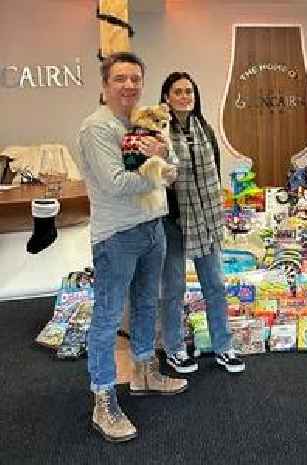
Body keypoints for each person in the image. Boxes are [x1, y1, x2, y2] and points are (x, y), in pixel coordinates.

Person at [76, 52, 187, 443]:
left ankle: (144, 371)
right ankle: (103, 397)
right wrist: (159, 174)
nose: (129, 86)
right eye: (120, 78)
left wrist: (162, 162)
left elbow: (173, 162)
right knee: (107, 316)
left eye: (135, 79)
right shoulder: (97, 128)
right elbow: (116, 183)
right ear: (106, 85)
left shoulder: (145, 122)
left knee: (146, 303)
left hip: (151, 227)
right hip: (117, 235)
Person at [158, 71, 245, 375]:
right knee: (173, 288)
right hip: (172, 221)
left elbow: (215, 174)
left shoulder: (204, 130)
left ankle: (223, 347)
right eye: (178, 92)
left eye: (189, 92)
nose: (185, 97)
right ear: (166, 97)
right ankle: (174, 349)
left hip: (206, 219)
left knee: (215, 286)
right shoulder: (159, 133)